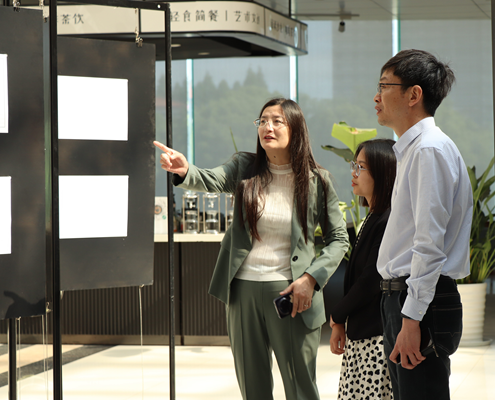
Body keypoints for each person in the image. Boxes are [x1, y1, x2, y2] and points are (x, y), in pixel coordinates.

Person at [154, 98, 349, 400]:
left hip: (292, 294)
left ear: (296, 129)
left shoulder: (317, 181)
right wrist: (186, 169)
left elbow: (339, 238)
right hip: (243, 292)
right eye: (263, 121)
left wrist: (310, 279)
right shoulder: (245, 168)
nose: (267, 127)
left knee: (300, 388)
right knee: (253, 388)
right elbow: (211, 179)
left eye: (277, 121)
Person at [374, 49, 473, 400]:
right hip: (407, 298)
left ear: (413, 95)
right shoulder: (415, 150)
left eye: (384, 86)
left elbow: (429, 243)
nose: (376, 96)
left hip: (419, 301)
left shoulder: (429, 150)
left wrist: (412, 318)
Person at [329, 139, 396, 400]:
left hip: (375, 339)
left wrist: (338, 314)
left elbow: (371, 279)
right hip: (363, 336)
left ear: (383, 172)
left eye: (361, 167)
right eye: (353, 165)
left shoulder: (387, 220)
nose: (354, 173)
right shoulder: (374, 216)